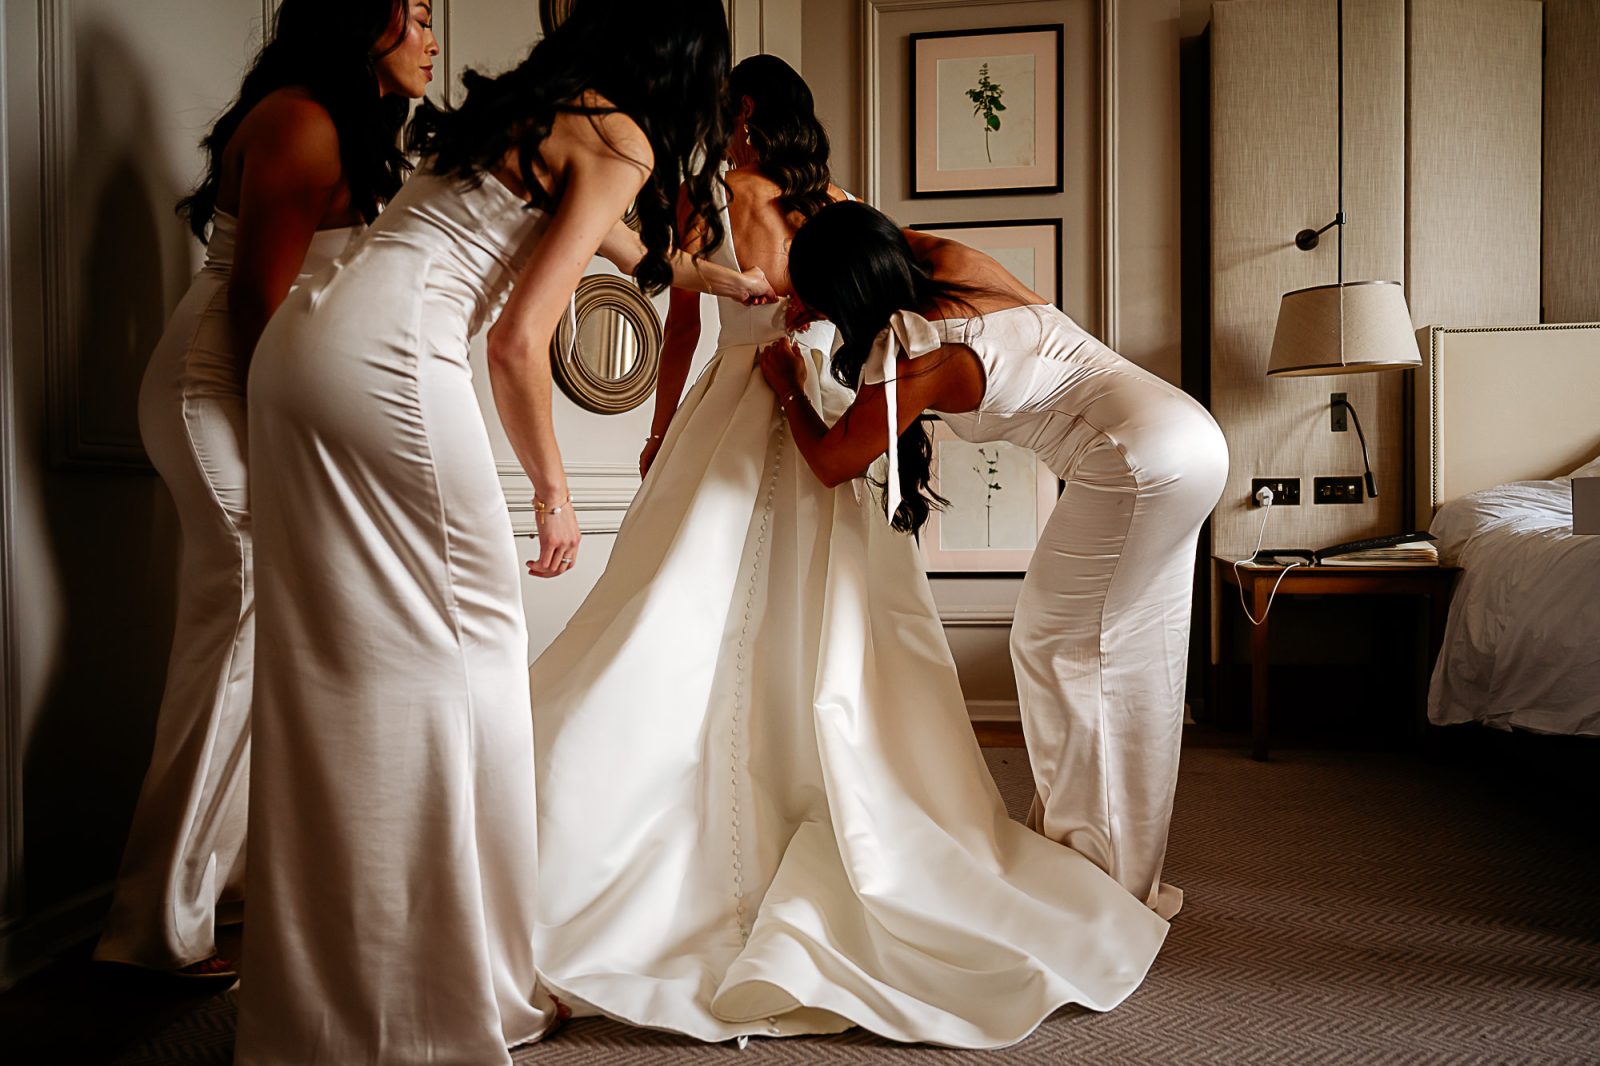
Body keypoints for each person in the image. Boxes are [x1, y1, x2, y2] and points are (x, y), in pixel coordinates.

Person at [528, 55, 1169, 1050]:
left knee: (681, 613)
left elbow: (692, 316)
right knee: (831, 618)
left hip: (761, 399)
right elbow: (855, 307)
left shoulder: (715, 193)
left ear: (739, 114)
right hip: (835, 390)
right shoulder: (845, 204)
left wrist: (662, 431)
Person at [234, 3, 772, 1063]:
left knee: (337, 671)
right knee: (466, 667)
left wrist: (707, 275)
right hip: (390, 363)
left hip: (301, 352)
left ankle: (375, 988)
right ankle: (440, 998)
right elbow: (522, 342)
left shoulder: (543, 106)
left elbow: (617, 239)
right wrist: (554, 490)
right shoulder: (626, 134)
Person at [95, 0, 432, 979]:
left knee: (262, 642)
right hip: (222, 389)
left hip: (252, 385)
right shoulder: (300, 120)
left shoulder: (338, 126)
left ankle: (226, 888)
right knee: (233, 632)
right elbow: (257, 306)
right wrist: (280, 443)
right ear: (360, 20)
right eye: (412, 14)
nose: (431, 35)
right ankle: (152, 928)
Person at [772, 199, 1229, 919]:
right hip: (1194, 435)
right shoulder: (954, 266)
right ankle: (1112, 866)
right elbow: (874, 227)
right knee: (1137, 652)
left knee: (1060, 650)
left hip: (1135, 460)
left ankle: (1099, 880)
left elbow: (833, 462)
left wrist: (787, 391)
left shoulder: (915, 361)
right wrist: (825, 258)